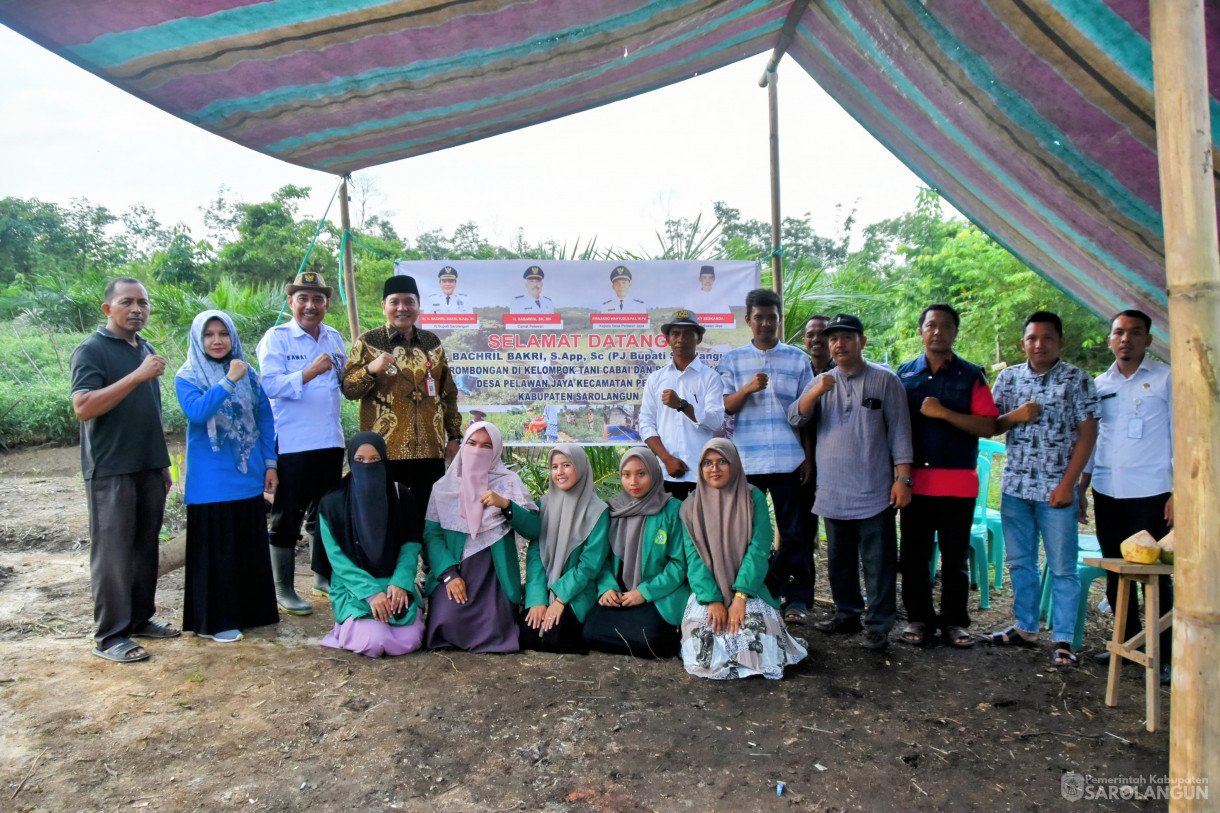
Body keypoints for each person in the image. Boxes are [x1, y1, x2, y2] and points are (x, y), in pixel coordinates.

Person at [790, 314, 913, 651]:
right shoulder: (823, 381)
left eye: (846, 337)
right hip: (832, 489)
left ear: (862, 341)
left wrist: (902, 477)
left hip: (875, 489)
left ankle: (878, 624)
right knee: (840, 560)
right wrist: (815, 391)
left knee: (878, 561)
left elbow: (901, 432)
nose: (838, 344)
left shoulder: (885, 381)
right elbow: (796, 417)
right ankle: (847, 614)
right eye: (833, 339)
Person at [71, 277, 177, 663]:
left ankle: (139, 619)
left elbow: (150, 414)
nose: (137, 309)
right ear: (108, 309)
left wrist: (162, 463)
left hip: (148, 466)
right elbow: (83, 407)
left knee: (144, 548)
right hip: (111, 469)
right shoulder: (92, 350)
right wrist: (136, 376)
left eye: (144, 303)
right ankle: (109, 636)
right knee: (113, 553)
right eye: (127, 302)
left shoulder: (144, 348)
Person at [988, 311, 1098, 666]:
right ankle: (1025, 627)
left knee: (1063, 566)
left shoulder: (1077, 380)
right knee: (1020, 562)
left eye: (1047, 338)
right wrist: (1016, 416)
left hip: (1056, 489)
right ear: (1023, 343)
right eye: (1032, 338)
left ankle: (1064, 638)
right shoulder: (1008, 378)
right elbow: (991, 426)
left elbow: (1088, 434)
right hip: (1016, 485)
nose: (1039, 344)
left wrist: (1071, 486)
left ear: (1060, 342)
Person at [1077, 310, 1173, 684]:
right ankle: (1126, 643)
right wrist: (1083, 487)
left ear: (1148, 340)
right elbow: (1094, 439)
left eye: (1135, 333)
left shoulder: (1167, 379)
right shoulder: (1100, 384)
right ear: (1109, 340)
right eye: (1119, 332)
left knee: (1154, 575)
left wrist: (1179, 490)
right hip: (1108, 490)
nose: (1126, 339)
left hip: (1153, 491)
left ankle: (1162, 653)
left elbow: (1182, 435)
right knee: (1117, 571)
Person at [895, 304, 998, 648]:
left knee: (955, 559)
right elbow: (895, 427)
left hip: (958, 484)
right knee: (914, 557)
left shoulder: (971, 375)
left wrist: (943, 413)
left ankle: (954, 621)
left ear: (955, 332)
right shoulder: (905, 374)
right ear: (921, 330)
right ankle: (919, 619)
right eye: (931, 325)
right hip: (916, 485)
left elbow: (988, 425)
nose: (938, 331)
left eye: (946, 326)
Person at [175, 310, 280, 643]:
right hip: (212, 481)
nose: (217, 341)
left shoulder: (249, 373)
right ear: (198, 339)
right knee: (217, 552)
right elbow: (197, 412)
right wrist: (228, 380)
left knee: (248, 548)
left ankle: (252, 613)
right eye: (209, 335)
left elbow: (265, 419)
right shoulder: (188, 375)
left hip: (247, 473)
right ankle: (216, 621)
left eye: (223, 333)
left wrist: (271, 463)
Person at [719, 288, 813, 624]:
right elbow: (726, 406)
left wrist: (807, 457)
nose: (765, 323)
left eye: (771, 317)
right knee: (745, 531)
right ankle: (748, 593)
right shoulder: (732, 360)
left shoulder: (797, 359)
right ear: (748, 321)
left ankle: (796, 599)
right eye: (758, 317)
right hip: (747, 463)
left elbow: (806, 414)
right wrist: (747, 389)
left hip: (789, 460)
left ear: (779, 319)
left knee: (794, 533)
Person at [678, 439, 808, 679]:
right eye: (707, 463)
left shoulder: (752, 498)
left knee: (756, 645)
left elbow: (758, 549)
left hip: (750, 587)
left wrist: (740, 596)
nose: (714, 468)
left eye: (721, 462)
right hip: (709, 589)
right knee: (703, 652)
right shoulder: (689, 507)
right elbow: (693, 558)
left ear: (734, 464)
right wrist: (713, 600)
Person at [257, 271, 347, 614]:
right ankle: (283, 588)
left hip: (329, 440)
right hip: (292, 443)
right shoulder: (277, 338)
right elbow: (269, 386)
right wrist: (309, 372)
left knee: (323, 512)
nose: (311, 306)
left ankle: (321, 577)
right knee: (286, 516)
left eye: (318, 299)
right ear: (291, 302)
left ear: (326, 303)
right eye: (303, 299)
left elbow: (342, 381)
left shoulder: (334, 337)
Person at [341, 275, 462, 517]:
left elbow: (447, 393)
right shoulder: (368, 342)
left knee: (428, 519)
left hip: (430, 450)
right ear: (383, 306)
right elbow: (349, 389)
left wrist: (455, 436)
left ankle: (426, 556)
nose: (402, 308)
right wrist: (370, 369)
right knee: (388, 519)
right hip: (385, 451)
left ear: (418, 306)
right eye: (394, 302)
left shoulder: (432, 342)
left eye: (409, 302)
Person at [424, 421, 537, 653]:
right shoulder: (443, 487)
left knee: (496, 630)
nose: (477, 450)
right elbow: (432, 535)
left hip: (494, 573)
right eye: (472, 443)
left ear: (496, 451)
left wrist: (505, 504)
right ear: (463, 446)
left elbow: (534, 528)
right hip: (455, 569)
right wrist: (448, 574)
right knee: (444, 624)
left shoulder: (509, 483)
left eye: (486, 446)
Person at [317, 433, 425, 658]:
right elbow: (338, 560)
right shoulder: (332, 504)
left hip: (395, 582)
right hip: (352, 585)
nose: (367, 465)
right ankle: (344, 627)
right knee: (374, 641)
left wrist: (401, 581)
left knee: (409, 640)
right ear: (351, 461)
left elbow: (411, 543)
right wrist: (371, 593)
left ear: (384, 460)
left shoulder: (400, 496)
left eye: (375, 460)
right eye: (360, 460)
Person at [583, 448, 690, 657]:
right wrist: (606, 587)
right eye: (626, 475)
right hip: (619, 591)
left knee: (653, 640)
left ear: (654, 473)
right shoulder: (612, 510)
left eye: (641, 474)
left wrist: (644, 593)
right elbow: (602, 558)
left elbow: (679, 564)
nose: (633, 481)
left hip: (657, 591)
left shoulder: (672, 509)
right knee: (590, 634)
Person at [512, 444, 610, 653]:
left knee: (554, 637)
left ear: (581, 467)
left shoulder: (598, 511)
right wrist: (537, 599)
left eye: (567, 465)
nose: (559, 472)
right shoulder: (544, 504)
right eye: (555, 467)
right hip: (545, 584)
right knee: (526, 635)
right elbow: (535, 554)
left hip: (576, 591)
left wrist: (559, 600)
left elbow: (589, 566)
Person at [638, 310, 725, 500]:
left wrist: (684, 405)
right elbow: (645, 424)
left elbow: (716, 421)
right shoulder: (656, 379)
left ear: (699, 338)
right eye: (675, 333)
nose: (681, 339)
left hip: (703, 472)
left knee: (702, 528)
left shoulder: (710, 378)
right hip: (666, 473)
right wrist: (666, 459)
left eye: (687, 334)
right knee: (670, 528)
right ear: (668, 339)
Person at [793, 315, 834, 621]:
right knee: (804, 531)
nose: (816, 339)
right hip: (807, 462)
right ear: (804, 341)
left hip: (840, 464)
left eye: (823, 333)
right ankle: (802, 598)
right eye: (810, 334)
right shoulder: (802, 371)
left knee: (843, 534)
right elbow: (799, 420)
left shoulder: (845, 370)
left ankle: (849, 602)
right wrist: (807, 458)